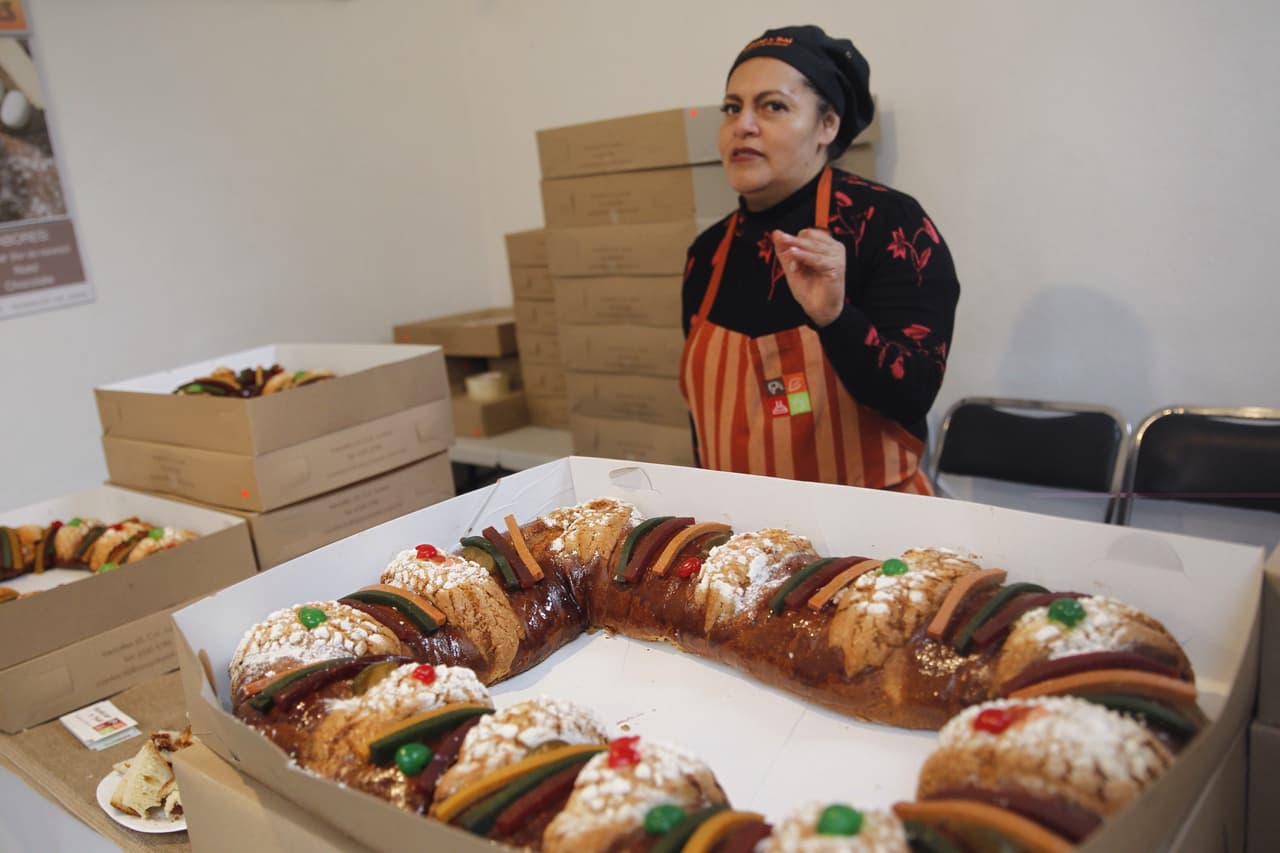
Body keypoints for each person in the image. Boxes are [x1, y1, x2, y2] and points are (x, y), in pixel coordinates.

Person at [680, 25, 960, 494]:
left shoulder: (889, 226)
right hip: (743, 539)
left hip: (874, 537)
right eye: (732, 107)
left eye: (772, 106)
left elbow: (911, 395)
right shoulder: (706, 254)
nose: (742, 125)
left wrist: (834, 318)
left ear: (827, 125)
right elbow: (701, 425)